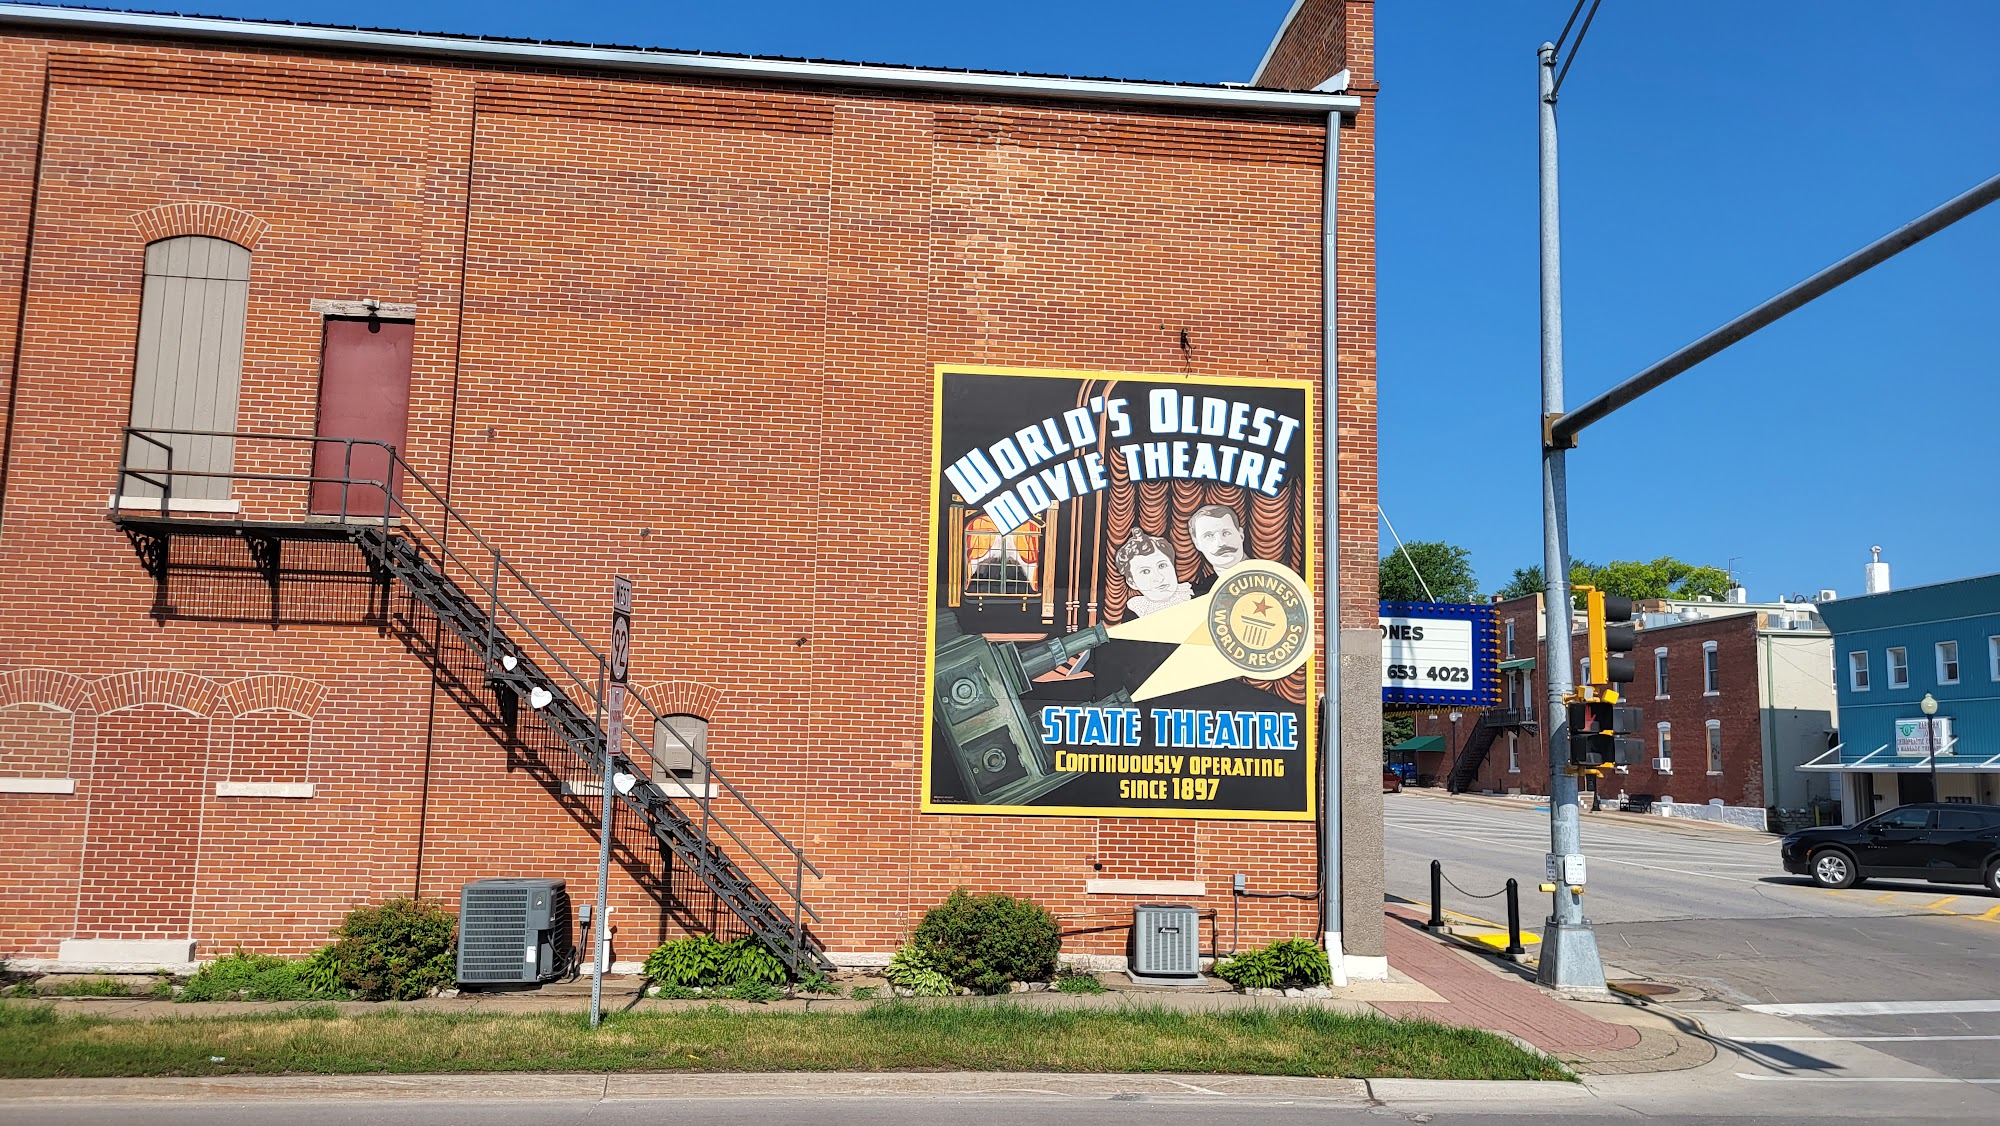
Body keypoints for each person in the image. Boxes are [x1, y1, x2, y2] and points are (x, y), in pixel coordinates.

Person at [1112, 531, 1191, 618]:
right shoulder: (1134, 613)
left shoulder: (1191, 594)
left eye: (1162, 566)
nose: (1159, 578)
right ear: (1132, 582)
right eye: (1145, 571)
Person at [1186, 504, 1248, 594]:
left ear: (1241, 535)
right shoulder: (1203, 592)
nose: (1221, 543)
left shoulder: (1267, 574)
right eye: (1209, 536)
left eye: (1226, 533)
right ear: (1197, 544)